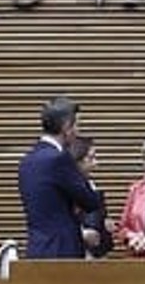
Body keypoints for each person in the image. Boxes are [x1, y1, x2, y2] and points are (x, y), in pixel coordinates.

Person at [18, 94, 102, 259]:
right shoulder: (59, 158)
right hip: (62, 250)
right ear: (66, 126)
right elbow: (90, 201)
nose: (78, 132)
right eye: (77, 125)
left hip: (37, 248)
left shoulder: (27, 161)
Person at [68, 134, 114, 258]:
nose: (96, 163)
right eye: (91, 158)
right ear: (78, 160)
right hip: (77, 252)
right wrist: (81, 233)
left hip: (95, 252)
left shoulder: (90, 184)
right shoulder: (68, 187)